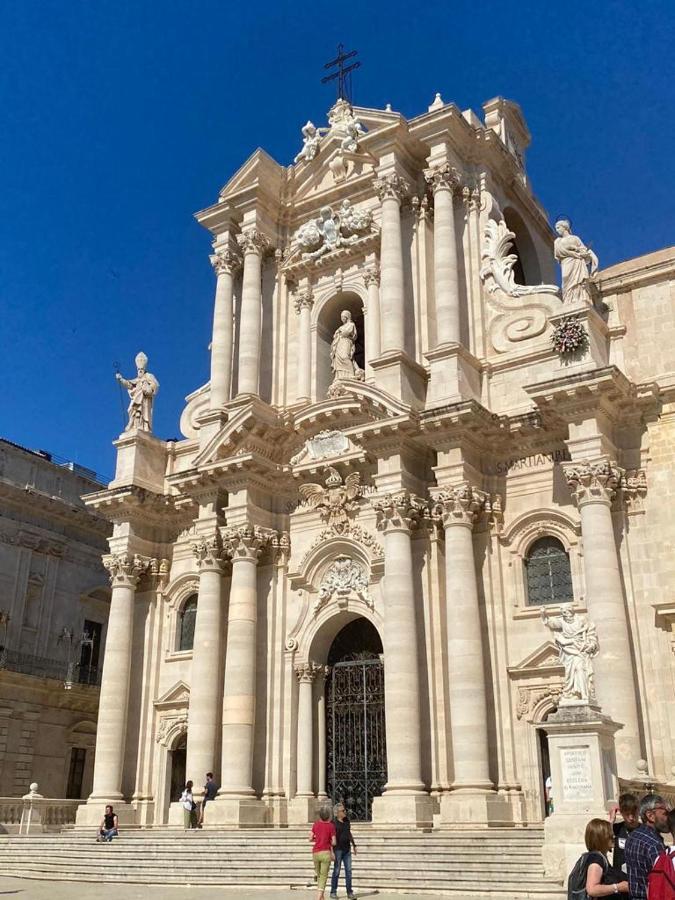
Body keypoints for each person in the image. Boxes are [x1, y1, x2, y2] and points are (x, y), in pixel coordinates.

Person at [624, 794, 670, 900]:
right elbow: (665, 883)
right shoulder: (655, 845)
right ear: (650, 816)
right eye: (665, 814)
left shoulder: (632, 836)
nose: (667, 818)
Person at [569, 819, 628, 897]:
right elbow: (592, 889)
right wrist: (618, 887)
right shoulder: (596, 859)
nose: (613, 836)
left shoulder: (594, 857)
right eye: (609, 835)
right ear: (600, 838)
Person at [330, 802, 357, 900]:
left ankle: (350, 892)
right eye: (343, 810)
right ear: (337, 813)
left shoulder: (347, 821)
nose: (345, 812)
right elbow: (331, 838)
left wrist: (354, 845)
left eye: (345, 810)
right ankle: (333, 892)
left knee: (349, 871)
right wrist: (331, 851)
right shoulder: (333, 823)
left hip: (347, 850)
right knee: (336, 871)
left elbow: (349, 833)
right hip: (337, 850)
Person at [309, 805, 336, 900]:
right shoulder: (331, 826)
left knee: (319, 875)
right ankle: (318, 897)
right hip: (325, 853)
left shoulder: (315, 824)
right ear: (329, 815)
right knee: (323, 876)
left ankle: (322, 897)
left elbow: (310, 838)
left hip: (315, 852)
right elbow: (334, 842)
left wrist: (318, 838)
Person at [609, 793, 640, 873]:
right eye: (627, 814)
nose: (631, 818)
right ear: (621, 812)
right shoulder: (617, 828)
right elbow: (604, 840)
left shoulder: (644, 830)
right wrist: (611, 820)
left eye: (633, 814)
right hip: (619, 878)